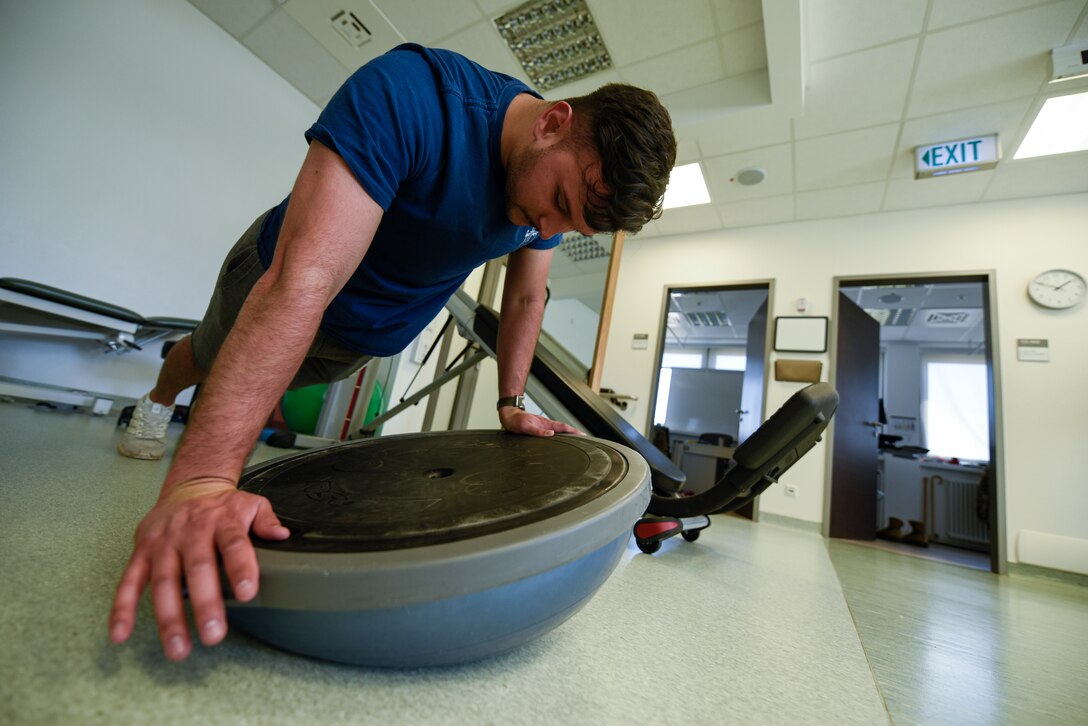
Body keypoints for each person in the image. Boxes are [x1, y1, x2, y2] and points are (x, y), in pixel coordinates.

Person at [108, 43, 676, 661]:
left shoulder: (545, 201)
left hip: (359, 340)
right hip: (278, 284)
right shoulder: (415, 96)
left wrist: (510, 401)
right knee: (206, 361)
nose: (547, 231)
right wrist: (202, 481)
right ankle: (160, 398)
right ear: (552, 122)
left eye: (570, 228)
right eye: (561, 205)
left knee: (266, 386)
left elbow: (525, 298)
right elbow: (306, 278)